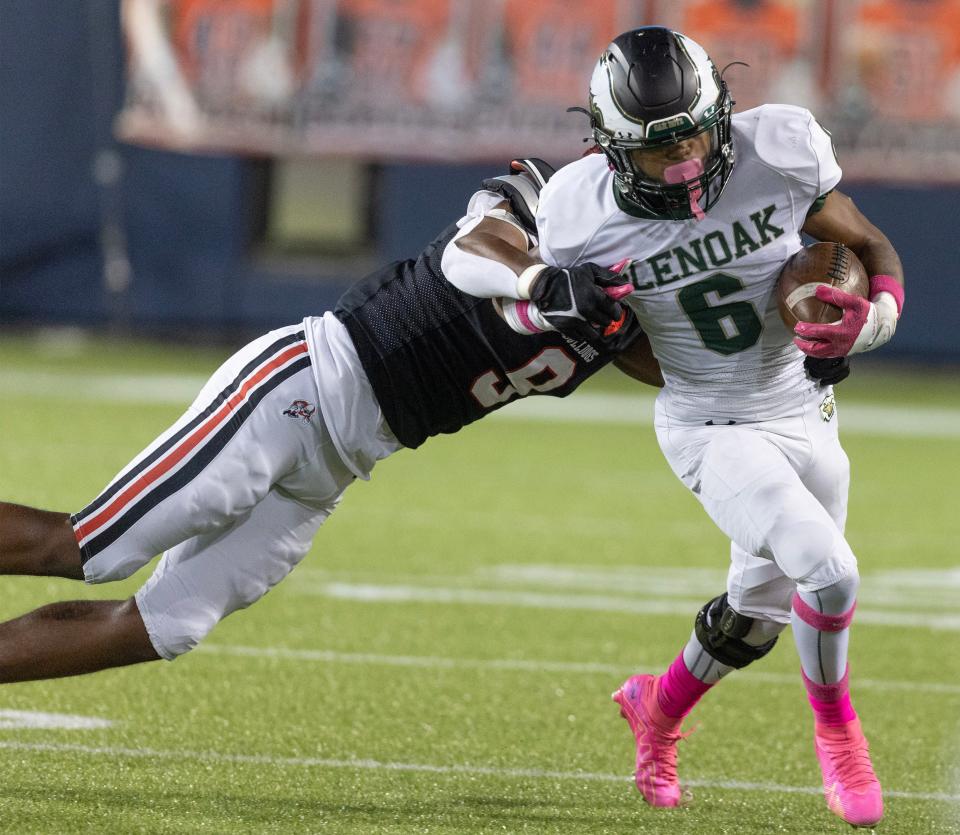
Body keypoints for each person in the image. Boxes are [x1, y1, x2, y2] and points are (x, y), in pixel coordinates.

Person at [447, 27, 904, 829]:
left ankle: (655, 708)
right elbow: (607, 337)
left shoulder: (784, 146)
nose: (688, 162)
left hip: (806, 408)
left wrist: (859, 330)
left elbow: (869, 246)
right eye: (661, 151)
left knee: (754, 622)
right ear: (613, 149)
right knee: (828, 572)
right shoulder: (578, 213)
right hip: (709, 422)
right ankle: (838, 735)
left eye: (696, 134)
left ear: (722, 113)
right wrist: (577, 311)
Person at [0, 157, 663, 684]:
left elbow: (686, 369)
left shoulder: (641, 292)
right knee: (93, 547)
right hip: (301, 389)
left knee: (171, 623)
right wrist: (541, 279)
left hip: (343, 462)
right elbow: (473, 248)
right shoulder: (545, 198)